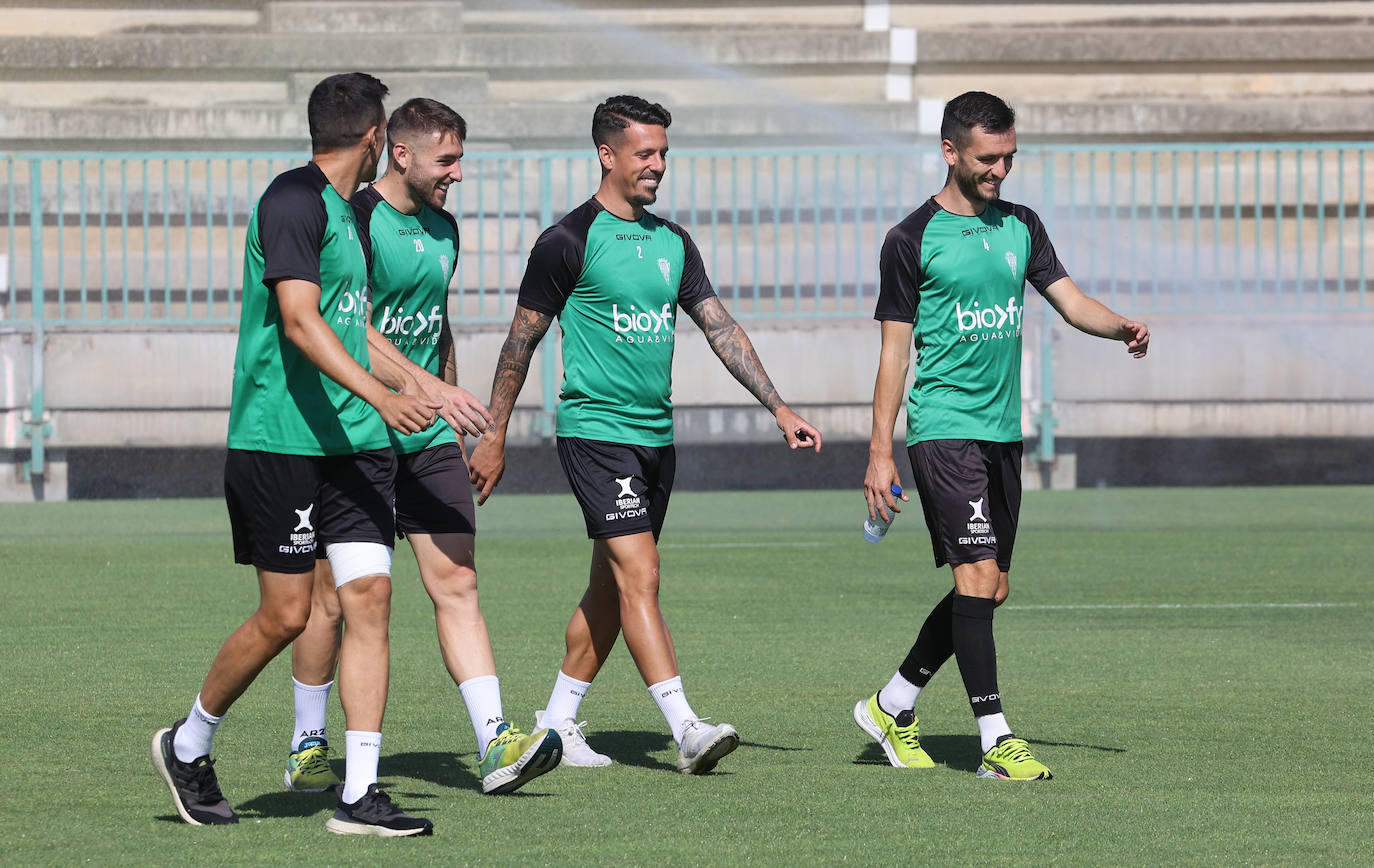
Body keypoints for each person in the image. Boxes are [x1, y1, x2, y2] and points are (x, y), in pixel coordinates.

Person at [468, 94, 822, 775]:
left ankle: (556, 723)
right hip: (596, 434)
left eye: (663, 152)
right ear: (606, 154)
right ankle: (686, 728)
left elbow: (720, 326)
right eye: (644, 153)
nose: (658, 164)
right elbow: (522, 340)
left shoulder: (672, 243)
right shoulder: (568, 241)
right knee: (642, 575)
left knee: (611, 588)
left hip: (656, 440)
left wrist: (777, 406)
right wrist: (494, 433)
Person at [150, 72, 440, 837]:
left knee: (369, 599)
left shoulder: (347, 214)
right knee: (285, 615)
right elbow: (302, 323)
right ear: (376, 137)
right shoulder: (292, 201)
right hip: (280, 441)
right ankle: (189, 744)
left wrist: (422, 384)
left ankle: (361, 795)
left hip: (353, 445)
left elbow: (349, 328)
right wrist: (386, 396)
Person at [855, 91, 1150, 780]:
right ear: (950, 151)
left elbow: (1070, 301)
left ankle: (892, 704)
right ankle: (995, 741)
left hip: (999, 433)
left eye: (1010, 158)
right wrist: (878, 451)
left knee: (991, 590)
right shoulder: (910, 239)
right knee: (978, 576)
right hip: (944, 430)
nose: (1001, 172)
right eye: (989, 159)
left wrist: (1121, 326)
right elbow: (894, 354)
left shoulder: (1022, 225)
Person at [283, 97, 562, 798]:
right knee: (333, 602)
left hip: (429, 432)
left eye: (461, 159)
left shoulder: (443, 228)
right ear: (399, 153)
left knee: (458, 580)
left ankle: (497, 738)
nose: (458, 174)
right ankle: (308, 743)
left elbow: (435, 329)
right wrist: (426, 392)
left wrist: (463, 416)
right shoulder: (355, 222)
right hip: (354, 427)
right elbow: (350, 328)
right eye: (448, 160)